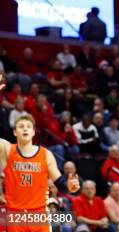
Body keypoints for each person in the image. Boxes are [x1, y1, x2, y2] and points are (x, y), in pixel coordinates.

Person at [0, 87, 80, 232]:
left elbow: (60, 183)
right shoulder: (7, 149)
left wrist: (70, 185)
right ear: (14, 132)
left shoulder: (46, 154)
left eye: (28, 127)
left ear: (33, 132)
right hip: (16, 216)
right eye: (21, 126)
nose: (24, 129)